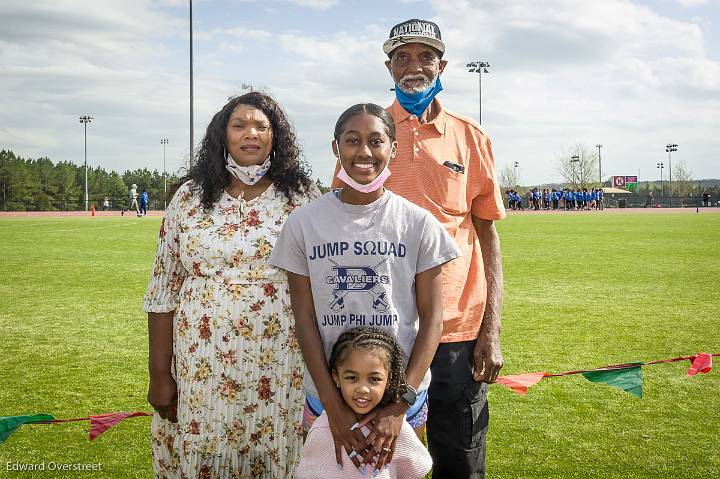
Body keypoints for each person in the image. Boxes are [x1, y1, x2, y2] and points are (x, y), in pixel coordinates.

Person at [332, 19, 506, 478]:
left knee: (460, 458)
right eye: (402, 56)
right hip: (381, 327)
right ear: (388, 66)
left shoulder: (470, 137)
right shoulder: (365, 136)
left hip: (455, 331)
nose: (414, 66)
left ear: (442, 64)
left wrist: (491, 330)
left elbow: (488, 238)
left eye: (425, 56)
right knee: (379, 462)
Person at [271, 103, 460, 475]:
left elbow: (433, 320)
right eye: (352, 140)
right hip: (328, 394)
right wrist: (332, 403)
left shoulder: (418, 224)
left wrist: (399, 406)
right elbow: (305, 319)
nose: (364, 152)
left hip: (401, 394)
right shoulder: (303, 224)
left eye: (376, 141)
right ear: (335, 148)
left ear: (393, 148)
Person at [143, 91, 319, 478]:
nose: (250, 134)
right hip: (201, 364)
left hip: (281, 362)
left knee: (277, 451)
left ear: (277, 136)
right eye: (239, 125)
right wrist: (160, 375)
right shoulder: (189, 197)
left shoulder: (302, 196)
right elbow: (162, 290)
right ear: (222, 135)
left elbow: (323, 283)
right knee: (207, 450)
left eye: (262, 126)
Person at [295, 327, 433, 479]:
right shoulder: (322, 429)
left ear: (389, 380)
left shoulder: (396, 429)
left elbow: (415, 470)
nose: (363, 389)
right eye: (352, 378)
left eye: (374, 379)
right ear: (336, 377)